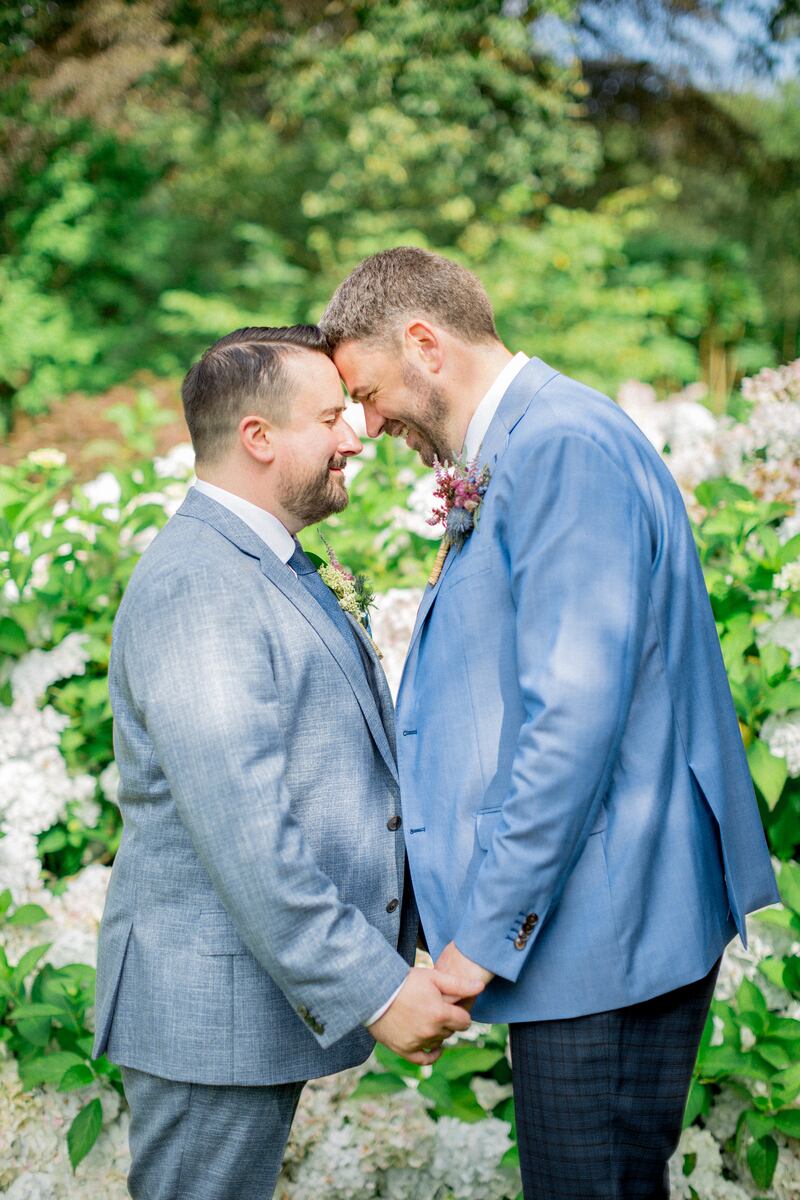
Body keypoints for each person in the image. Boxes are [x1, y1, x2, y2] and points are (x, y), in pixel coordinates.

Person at [320, 249, 779, 1200]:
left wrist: (483, 935)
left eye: (366, 394)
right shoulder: (528, 443)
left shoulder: (560, 446)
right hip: (597, 919)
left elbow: (573, 720)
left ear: (423, 342)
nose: (367, 427)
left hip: (602, 926)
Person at [93, 324, 483, 1200]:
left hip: (248, 1007)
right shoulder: (200, 585)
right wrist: (380, 992)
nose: (356, 436)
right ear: (258, 438)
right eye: (330, 417)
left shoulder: (275, 564)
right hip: (209, 1014)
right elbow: (247, 832)